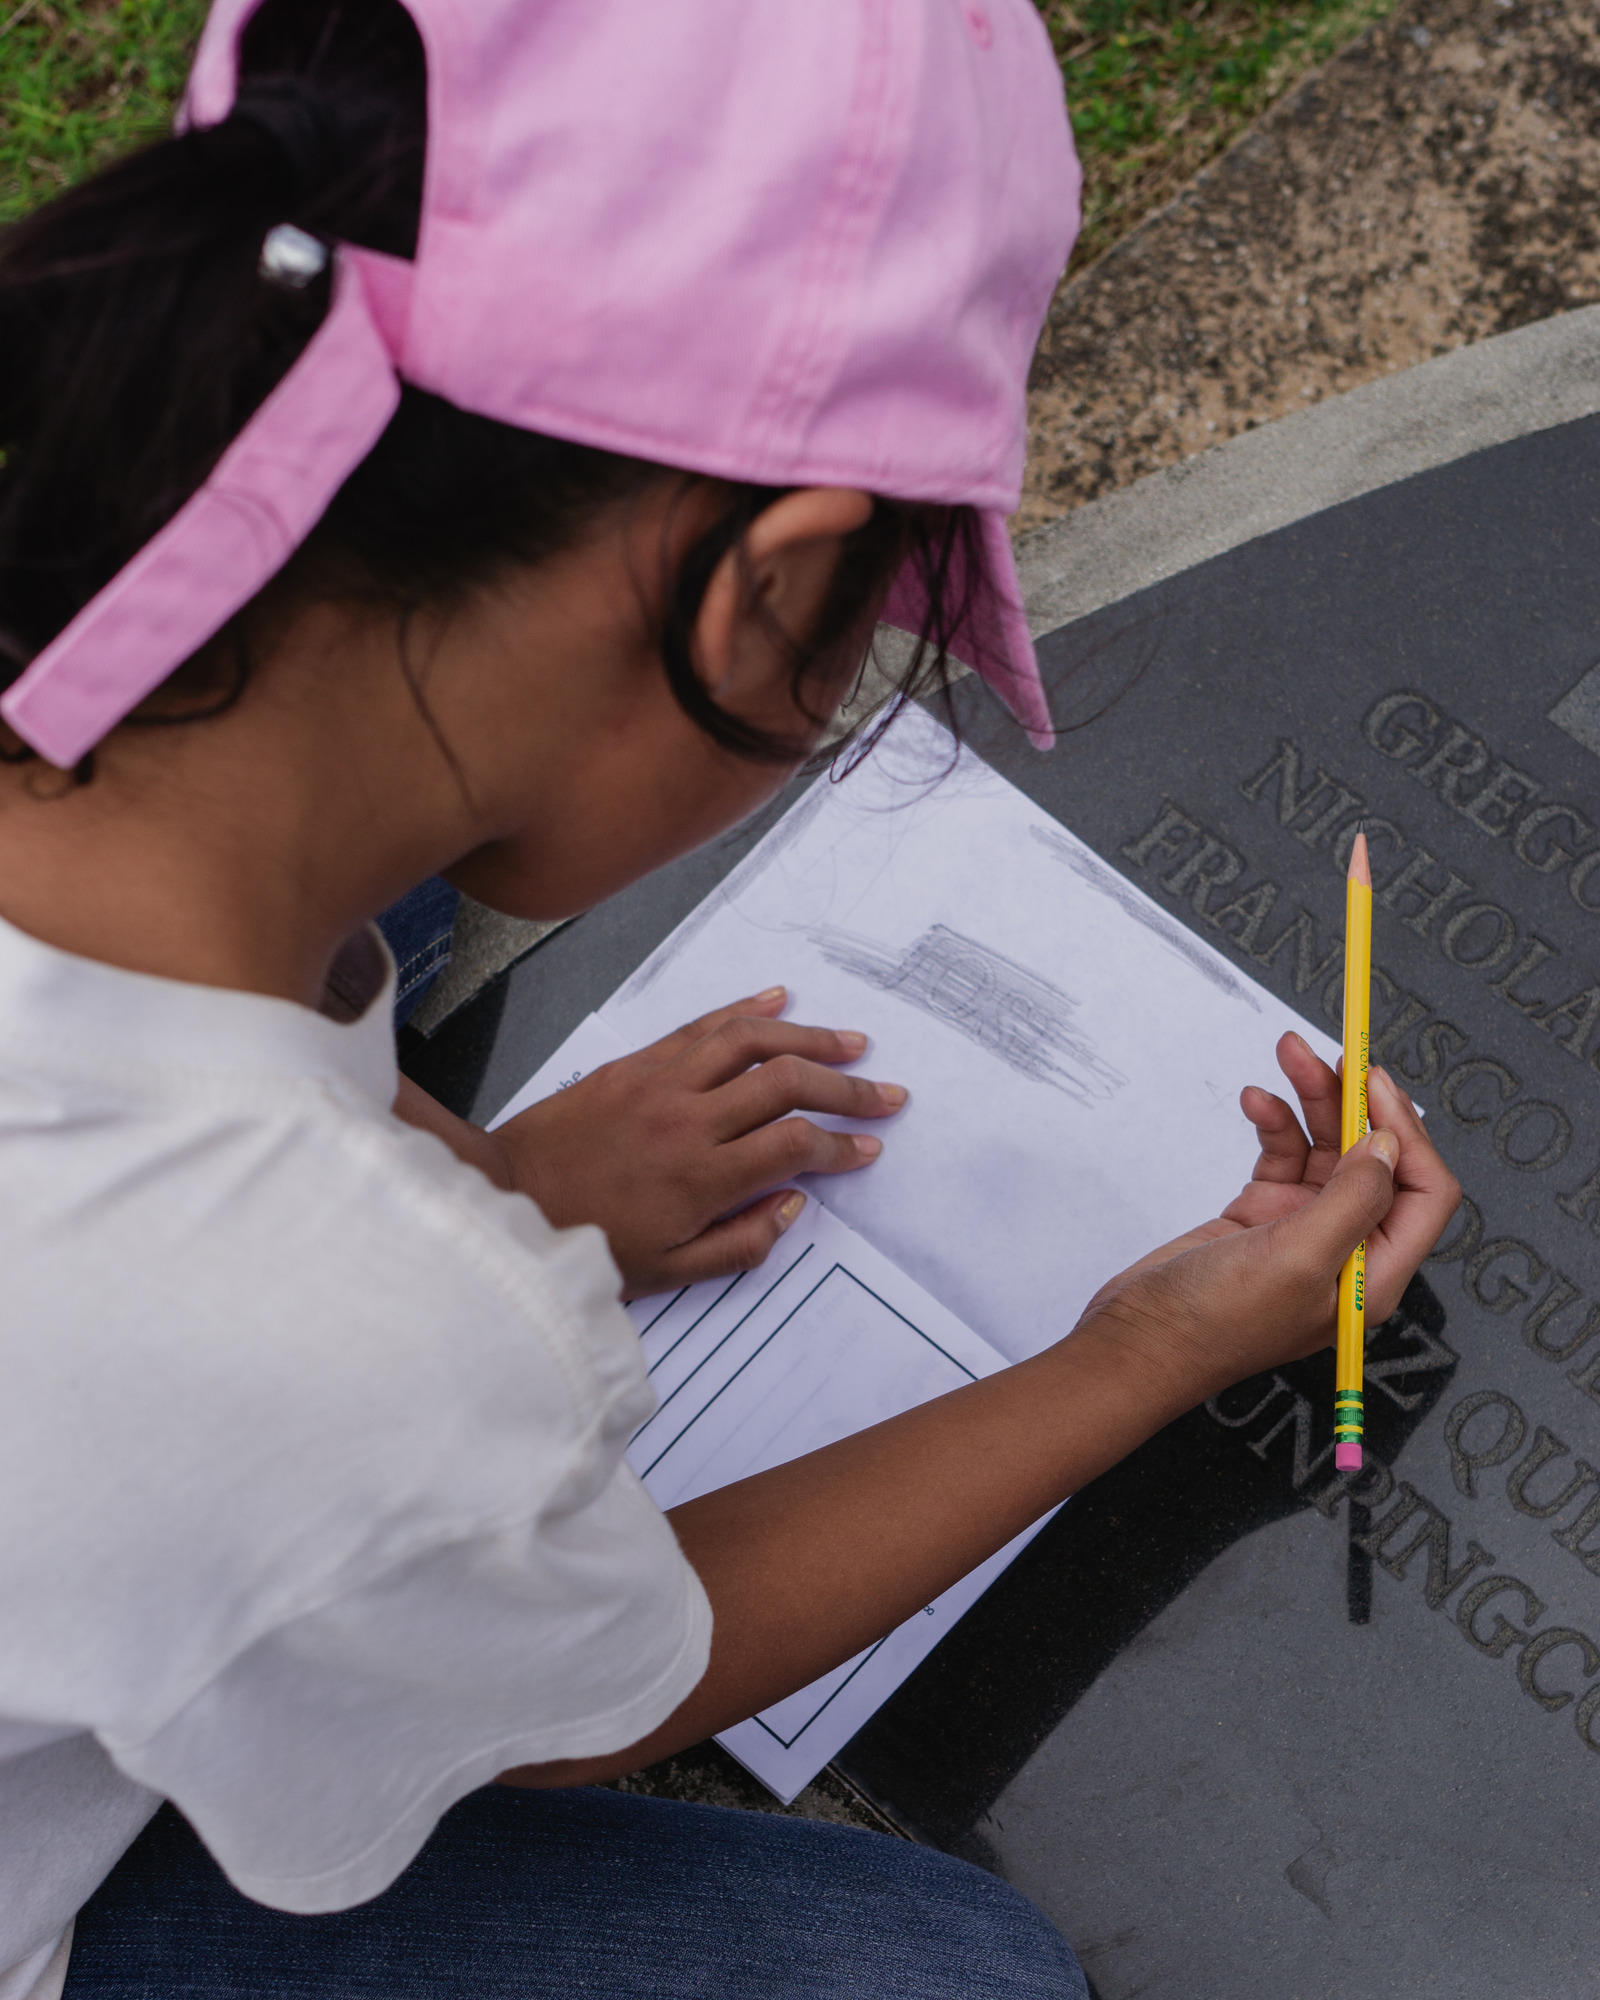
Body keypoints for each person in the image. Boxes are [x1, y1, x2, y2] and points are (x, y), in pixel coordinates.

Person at [0, 2, 1461, 1996]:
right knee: (941, 1973)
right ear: (767, 580)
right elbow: (582, 1701)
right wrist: (1129, 1343)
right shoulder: (378, 1334)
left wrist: (466, 1167)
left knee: (394, 850)